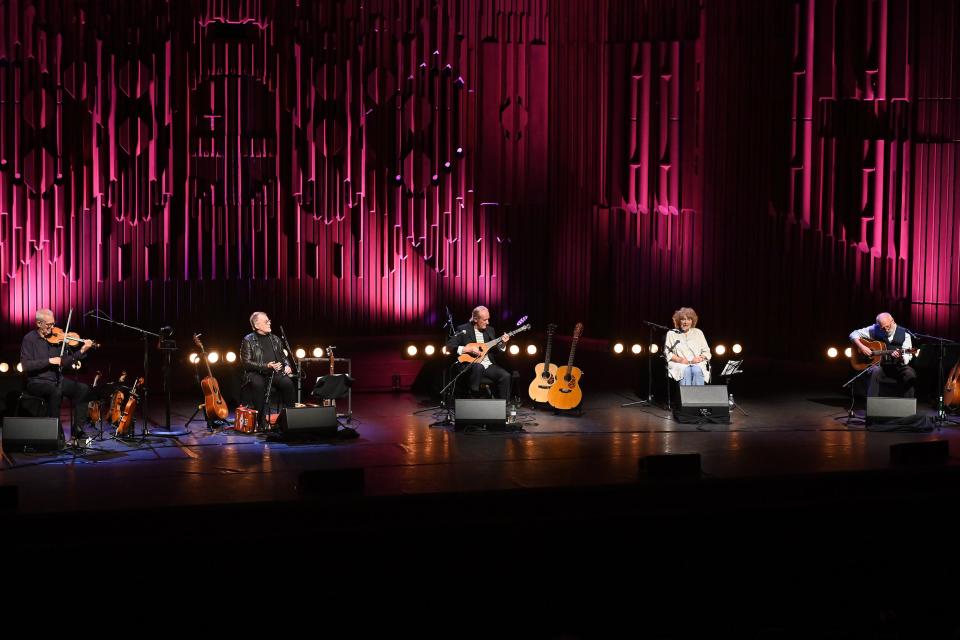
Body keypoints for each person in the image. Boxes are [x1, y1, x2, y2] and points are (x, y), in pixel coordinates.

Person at [19, 308, 95, 438]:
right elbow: (26, 365)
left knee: (83, 389)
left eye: (53, 323)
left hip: (58, 380)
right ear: (38, 323)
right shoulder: (29, 339)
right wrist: (49, 361)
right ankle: (56, 434)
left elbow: (65, 362)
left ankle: (78, 430)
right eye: (49, 325)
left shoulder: (57, 338)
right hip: (38, 382)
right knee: (55, 391)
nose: (53, 327)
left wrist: (82, 350)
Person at [240, 311, 297, 428]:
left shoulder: (275, 339)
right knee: (258, 384)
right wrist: (266, 366)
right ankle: (261, 422)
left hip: (274, 373)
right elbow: (246, 363)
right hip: (256, 374)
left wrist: (287, 365)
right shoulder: (248, 340)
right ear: (257, 325)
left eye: (269, 320)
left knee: (288, 383)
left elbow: (283, 357)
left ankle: (290, 419)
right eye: (266, 321)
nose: (269, 322)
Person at [446, 306, 512, 399]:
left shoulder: (490, 330)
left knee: (506, 376)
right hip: (470, 365)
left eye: (488, 319)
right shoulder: (463, 329)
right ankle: (474, 399)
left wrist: (504, 344)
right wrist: (468, 349)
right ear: (476, 319)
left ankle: (504, 407)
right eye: (485, 320)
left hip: (487, 365)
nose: (487, 322)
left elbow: (496, 351)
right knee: (478, 366)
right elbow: (449, 346)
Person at [849, 312, 917, 397]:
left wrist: (901, 358)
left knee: (910, 373)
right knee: (875, 371)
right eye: (883, 328)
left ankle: (908, 405)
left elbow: (907, 356)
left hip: (898, 366)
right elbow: (853, 334)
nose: (886, 330)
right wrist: (862, 347)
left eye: (888, 326)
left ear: (893, 321)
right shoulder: (874, 329)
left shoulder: (905, 334)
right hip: (880, 366)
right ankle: (872, 405)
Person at [665, 307, 711, 386]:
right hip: (679, 363)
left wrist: (700, 358)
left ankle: (698, 397)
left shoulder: (698, 332)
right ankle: (686, 397)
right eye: (683, 319)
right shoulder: (671, 333)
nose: (686, 322)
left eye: (689, 319)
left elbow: (706, 351)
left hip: (697, 363)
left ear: (692, 321)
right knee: (686, 370)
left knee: (696, 370)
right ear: (678, 321)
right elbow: (667, 352)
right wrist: (680, 360)